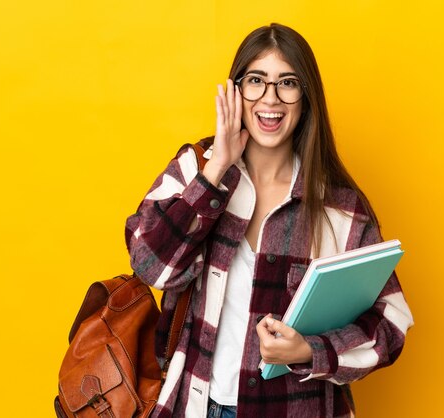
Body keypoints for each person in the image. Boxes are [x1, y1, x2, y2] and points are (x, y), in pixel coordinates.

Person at [125, 23, 413, 418]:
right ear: (236, 90)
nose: (270, 99)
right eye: (256, 81)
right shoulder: (196, 168)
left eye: (287, 83)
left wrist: (310, 351)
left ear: (306, 96)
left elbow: (391, 324)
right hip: (194, 405)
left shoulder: (341, 208)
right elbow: (149, 267)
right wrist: (216, 172)